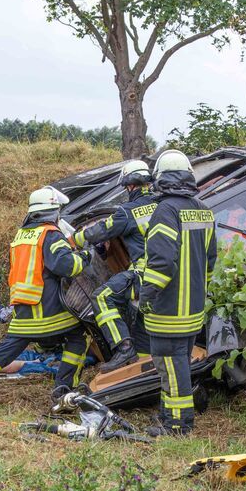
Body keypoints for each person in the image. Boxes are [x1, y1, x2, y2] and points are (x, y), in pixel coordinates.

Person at [0, 187, 92, 399]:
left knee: (6, 350)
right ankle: (64, 388)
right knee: (79, 337)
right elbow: (66, 266)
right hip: (49, 310)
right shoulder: (51, 234)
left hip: (23, 308)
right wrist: (85, 257)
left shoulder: (21, 236)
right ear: (54, 212)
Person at [139, 150, 217, 436]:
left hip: (168, 309)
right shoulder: (202, 209)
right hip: (193, 310)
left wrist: (146, 296)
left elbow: (161, 262)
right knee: (178, 365)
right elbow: (210, 261)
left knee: (171, 369)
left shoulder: (165, 211)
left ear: (159, 179)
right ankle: (168, 417)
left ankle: (178, 426)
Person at [73, 159, 157, 372]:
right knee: (141, 322)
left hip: (144, 276)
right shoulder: (163, 205)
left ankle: (124, 347)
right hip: (169, 274)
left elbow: (100, 231)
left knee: (102, 297)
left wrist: (75, 238)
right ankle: (143, 365)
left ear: (130, 185)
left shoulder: (127, 212)